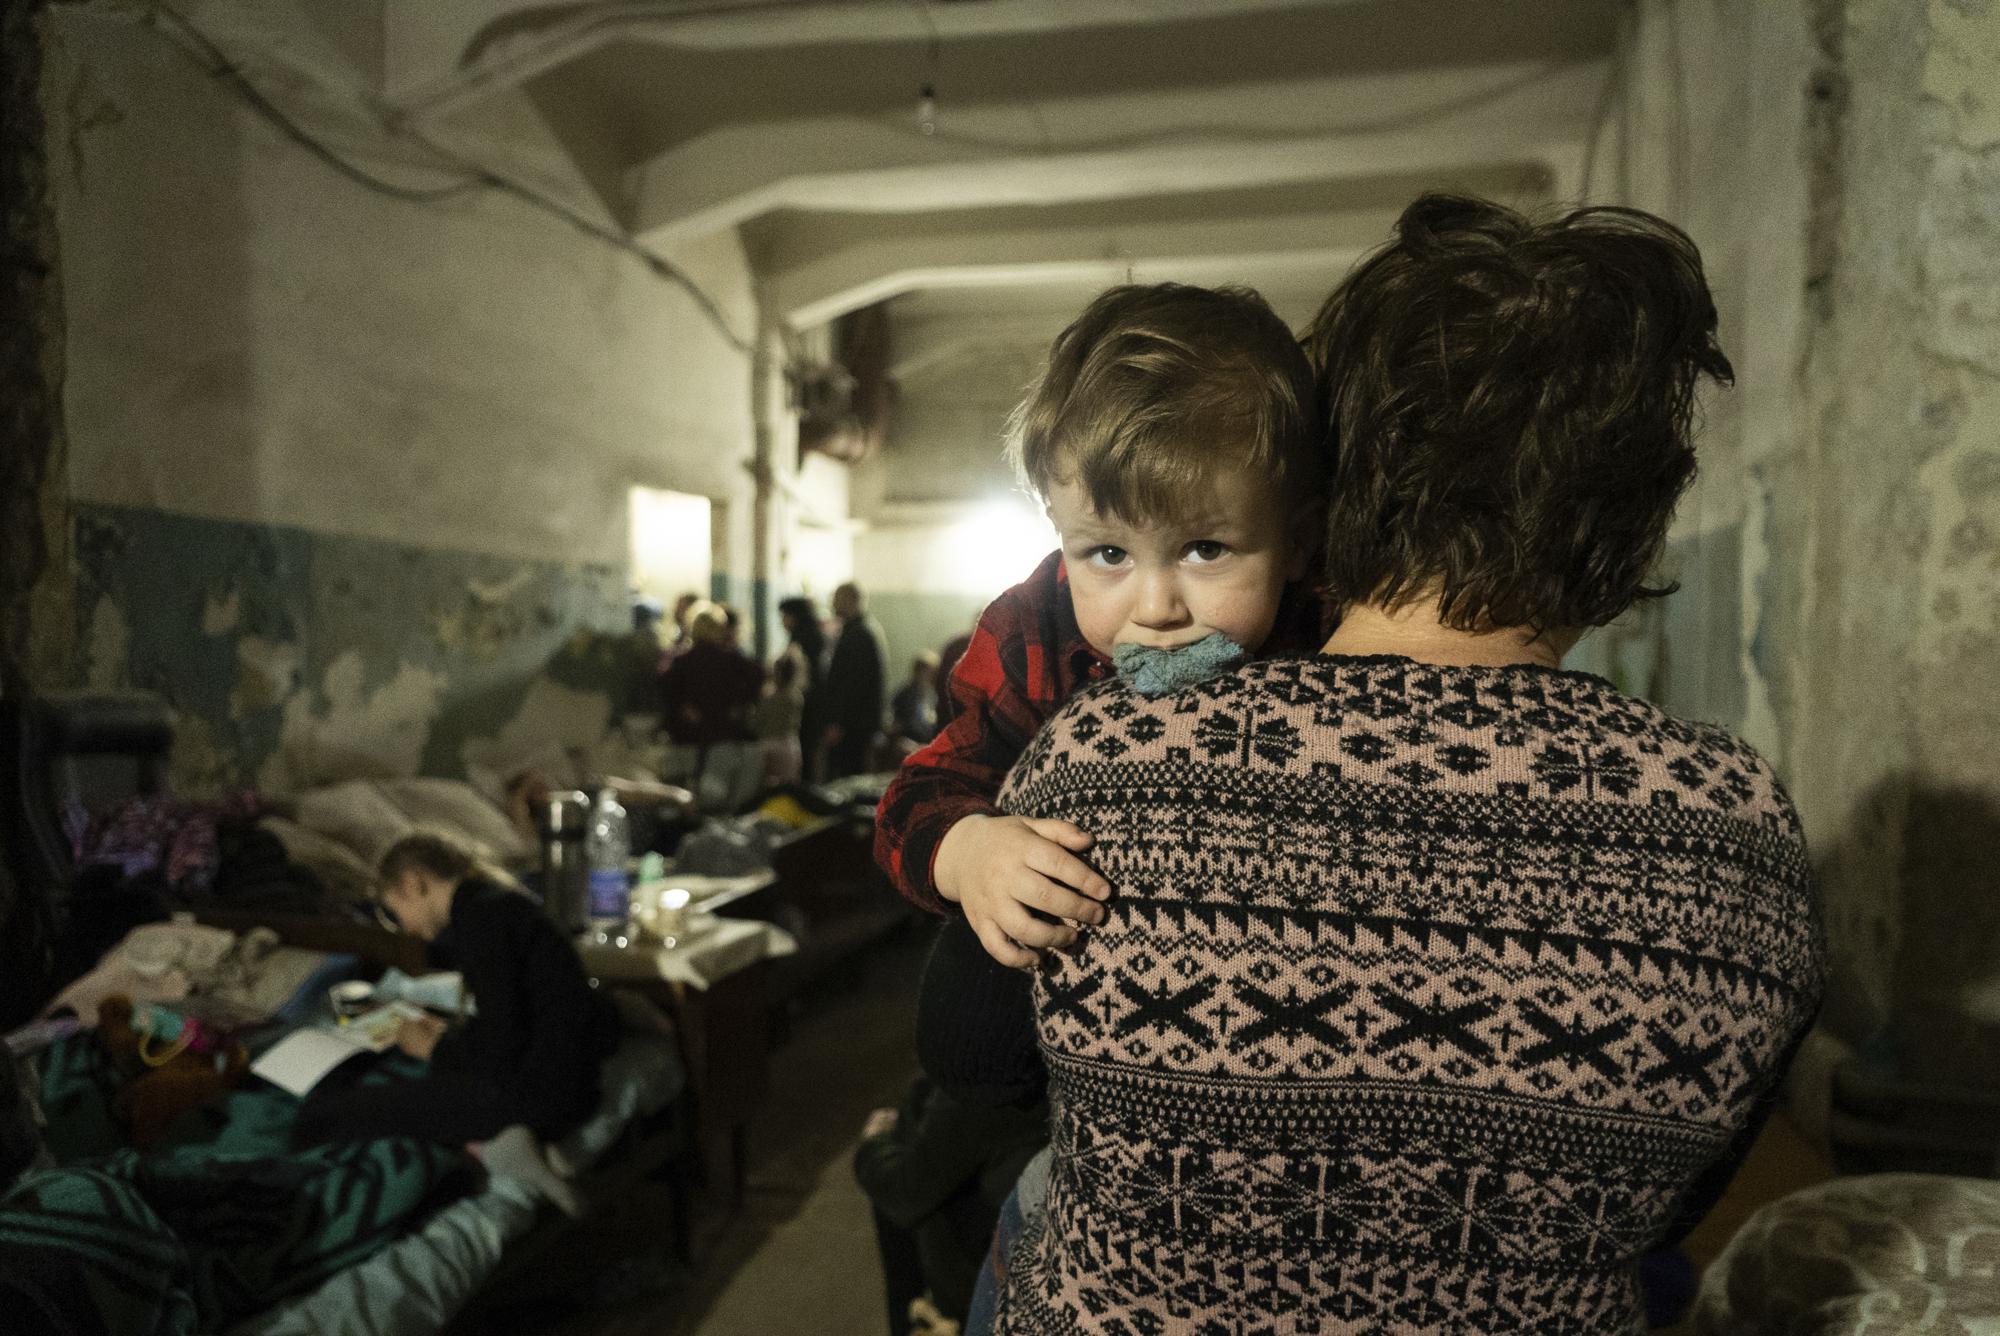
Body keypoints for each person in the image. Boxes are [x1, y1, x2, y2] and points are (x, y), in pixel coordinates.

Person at [986, 194, 1827, 1334]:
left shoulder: (1102, 762)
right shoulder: (1735, 833)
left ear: (1323, 492)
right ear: (1633, 525)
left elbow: (968, 1050)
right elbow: (1673, 1201)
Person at [874, 282, 1328, 967]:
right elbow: (916, 796)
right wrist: (970, 852)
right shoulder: (1032, 630)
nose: (1154, 608)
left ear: (1297, 540)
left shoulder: (1328, 629)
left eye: (1205, 549)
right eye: (1108, 553)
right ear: (1059, 531)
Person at [293, 831, 619, 1215]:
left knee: (324, 1114)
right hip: (573, 1086)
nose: (406, 928)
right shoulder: (499, 904)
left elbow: (502, 1048)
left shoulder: (482, 921)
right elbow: (519, 1013)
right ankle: (510, 1146)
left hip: (541, 1095)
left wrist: (436, 1047)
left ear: (415, 883)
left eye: (396, 911)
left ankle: (513, 1146)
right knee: (416, 1090)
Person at [659, 602, 766, 813]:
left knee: (685, 798)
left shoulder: (682, 661)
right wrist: (739, 704)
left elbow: (665, 691)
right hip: (721, 736)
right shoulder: (730, 660)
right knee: (717, 801)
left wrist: (683, 709)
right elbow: (758, 675)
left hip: (686, 738)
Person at [820, 581, 889, 779]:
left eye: (836, 599)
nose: (833, 605)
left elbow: (852, 685)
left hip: (853, 726)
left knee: (847, 776)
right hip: (860, 723)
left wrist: (837, 722)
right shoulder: (866, 630)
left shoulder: (858, 634)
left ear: (849, 600)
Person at [778, 595, 829, 782]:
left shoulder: (803, 640)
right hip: (813, 704)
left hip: (807, 705)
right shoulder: (813, 636)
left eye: (784, 616)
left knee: (806, 752)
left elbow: (802, 678)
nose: (782, 621)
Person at [888, 652, 942, 750]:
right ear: (917, 671)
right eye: (928, 672)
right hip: (907, 742)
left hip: (926, 742)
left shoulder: (932, 694)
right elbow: (897, 725)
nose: (931, 677)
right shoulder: (905, 694)